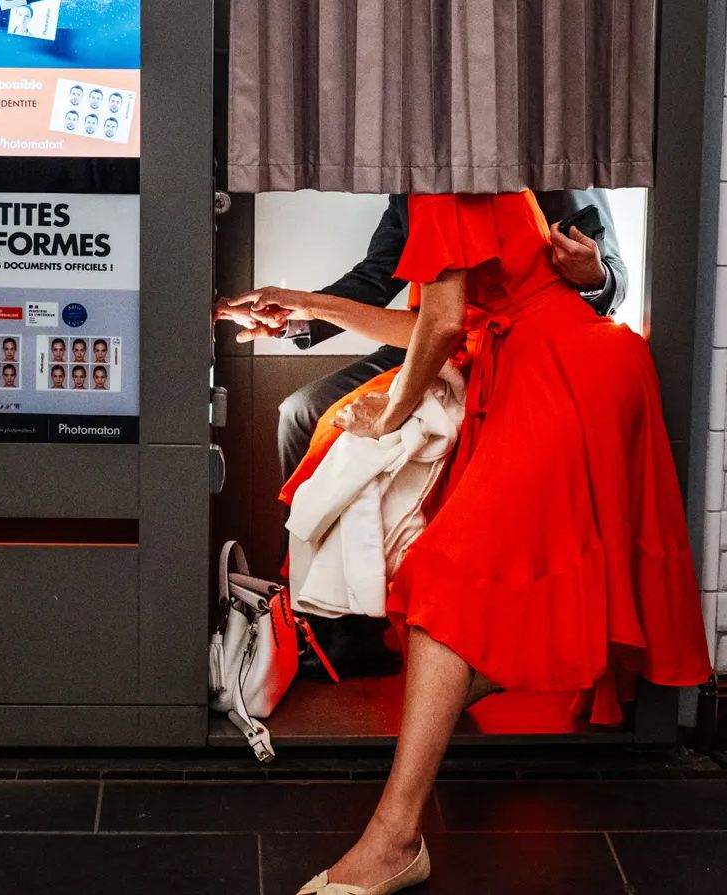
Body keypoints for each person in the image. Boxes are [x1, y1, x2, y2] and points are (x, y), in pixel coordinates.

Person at [284, 194, 709, 893]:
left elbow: (446, 323)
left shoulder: (450, 159)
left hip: (566, 372)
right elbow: (432, 319)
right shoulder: (451, 160)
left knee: (445, 583)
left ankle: (394, 837)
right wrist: (303, 304)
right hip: (528, 368)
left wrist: (387, 416)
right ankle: (404, 817)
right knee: (451, 588)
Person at [218, 191, 626, 677]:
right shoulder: (416, 177)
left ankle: (366, 616)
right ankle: (329, 622)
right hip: (444, 331)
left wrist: (597, 277)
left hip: (501, 341)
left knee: (372, 434)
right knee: (302, 411)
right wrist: (295, 314)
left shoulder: (549, 165)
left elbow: (608, 276)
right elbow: (381, 279)